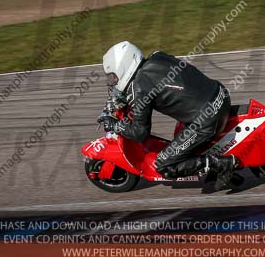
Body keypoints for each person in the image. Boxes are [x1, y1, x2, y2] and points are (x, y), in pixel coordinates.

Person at [98, 41, 238, 191]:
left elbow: (140, 133)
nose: (113, 81)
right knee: (179, 134)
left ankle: (222, 164)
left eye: (113, 76)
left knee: (164, 164)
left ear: (122, 68)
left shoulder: (138, 88)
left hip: (207, 119)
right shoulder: (157, 56)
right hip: (220, 95)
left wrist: (115, 125)